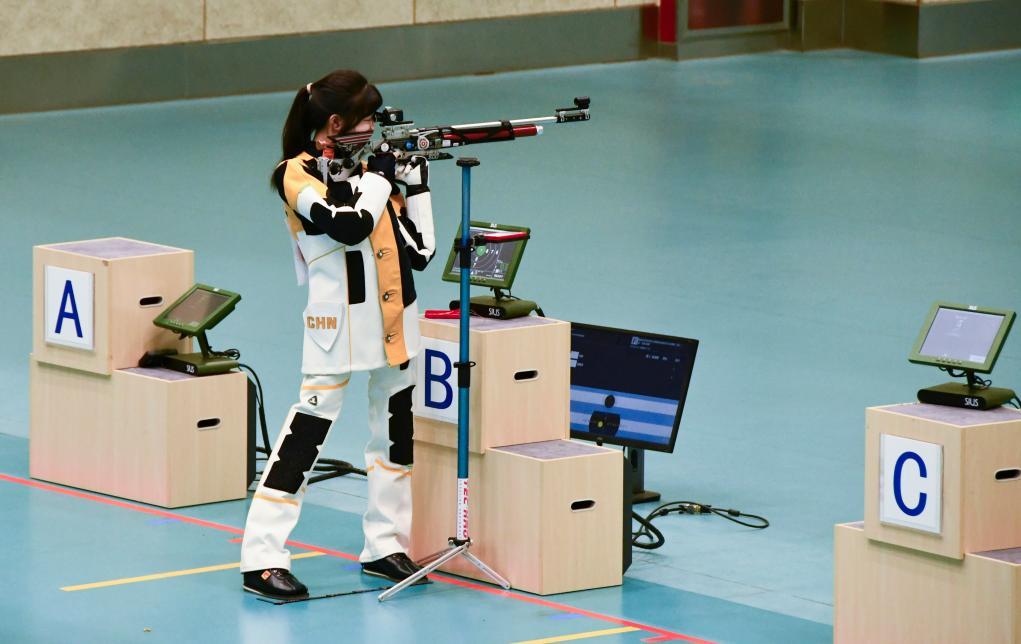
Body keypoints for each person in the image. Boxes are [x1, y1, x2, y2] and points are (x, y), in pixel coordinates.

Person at [240, 70, 436, 599]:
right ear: (334, 123)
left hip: (395, 326)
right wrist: (383, 180)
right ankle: (261, 558)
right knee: (302, 443)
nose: (372, 129)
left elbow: (421, 252)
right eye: (366, 119)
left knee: (395, 440)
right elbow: (347, 224)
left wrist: (417, 186)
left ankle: (385, 545)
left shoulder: (370, 175)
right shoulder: (295, 174)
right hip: (337, 329)